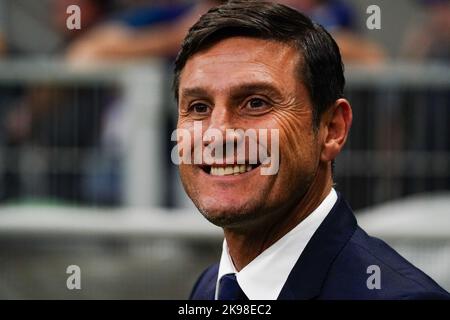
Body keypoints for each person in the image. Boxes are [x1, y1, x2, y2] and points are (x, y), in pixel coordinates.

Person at [172, 0, 450, 300]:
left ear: (332, 129)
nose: (218, 134)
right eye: (199, 107)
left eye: (256, 103)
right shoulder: (209, 288)